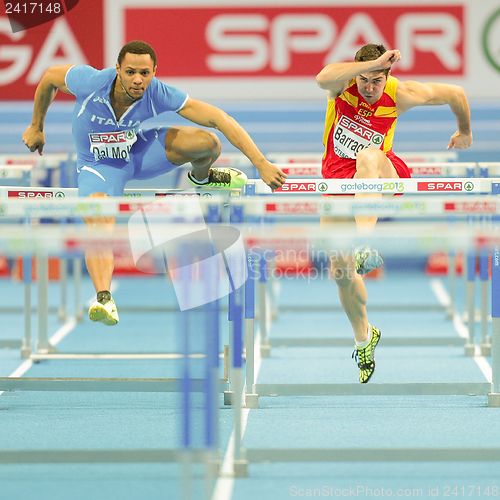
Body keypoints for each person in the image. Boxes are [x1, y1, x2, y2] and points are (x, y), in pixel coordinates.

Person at [23, 40, 286, 326]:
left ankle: (202, 179)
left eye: (145, 73)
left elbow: (218, 118)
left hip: (139, 154)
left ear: (154, 72)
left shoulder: (157, 92)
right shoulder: (90, 81)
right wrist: (36, 126)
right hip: (99, 166)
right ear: (118, 70)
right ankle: (104, 297)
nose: (138, 80)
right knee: (99, 219)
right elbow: (49, 77)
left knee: (207, 143)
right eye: (131, 72)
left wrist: (260, 163)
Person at [316, 43, 472, 383]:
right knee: (340, 271)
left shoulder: (400, 93)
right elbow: (321, 76)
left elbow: (456, 93)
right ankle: (364, 337)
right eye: (365, 81)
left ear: (387, 77)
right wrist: (367, 66)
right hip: (339, 183)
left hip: (382, 172)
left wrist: (465, 131)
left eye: (376, 81)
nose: (369, 88)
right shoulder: (341, 87)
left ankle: (366, 243)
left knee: (369, 155)